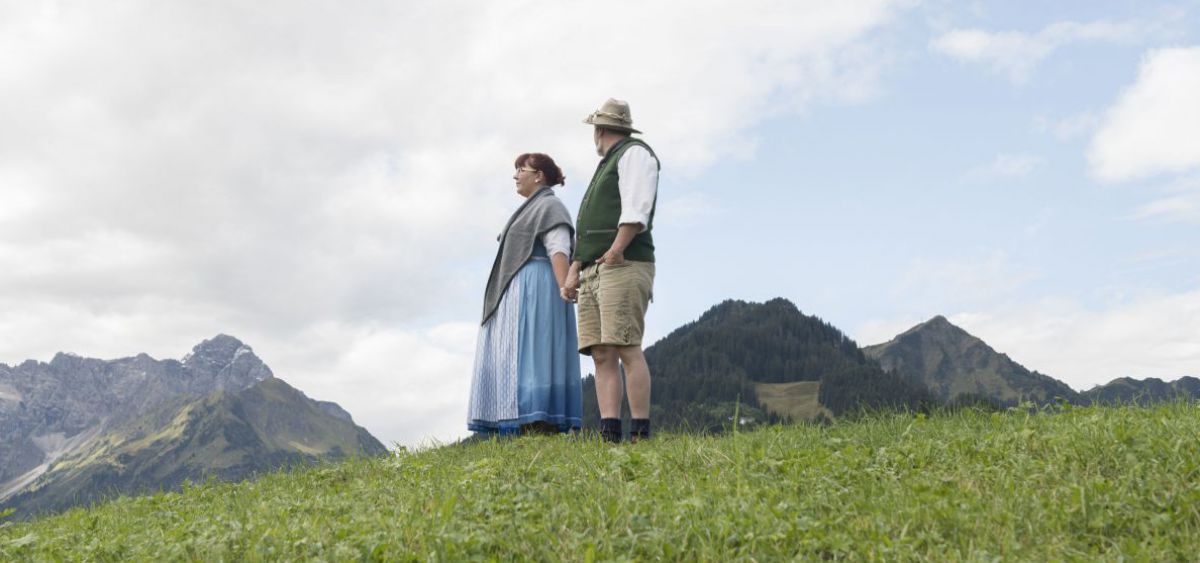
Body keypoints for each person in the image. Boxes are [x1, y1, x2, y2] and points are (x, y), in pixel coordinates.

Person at [562, 99, 660, 443]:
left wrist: (617, 250)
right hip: (593, 268)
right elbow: (588, 227)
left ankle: (639, 434)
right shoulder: (606, 164)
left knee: (626, 345)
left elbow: (637, 205)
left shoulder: (635, 154)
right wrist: (574, 269)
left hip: (623, 261)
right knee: (601, 352)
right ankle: (609, 434)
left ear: (599, 130)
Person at [467, 153, 582, 436]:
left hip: (538, 288)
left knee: (533, 351)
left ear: (539, 176)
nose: (516, 175)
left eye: (521, 169)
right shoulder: (532, 208)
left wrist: (563, 285)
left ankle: (538, 418)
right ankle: (520, 418)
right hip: (521, 288)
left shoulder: (549, 206)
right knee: (518, 353)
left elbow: (559, 247)